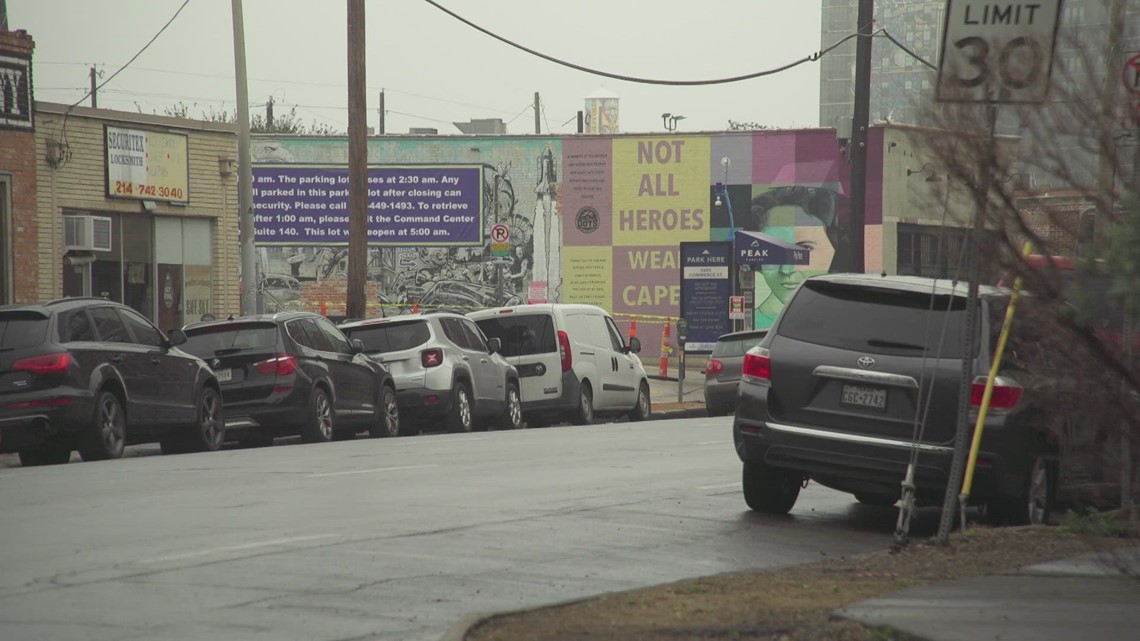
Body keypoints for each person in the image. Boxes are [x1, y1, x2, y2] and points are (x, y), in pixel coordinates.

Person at [745, 186, 847, 328]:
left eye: (804, 249)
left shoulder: (848, 322)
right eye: (773, 250)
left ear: (834, 247)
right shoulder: (749, 328)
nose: (787, 270)